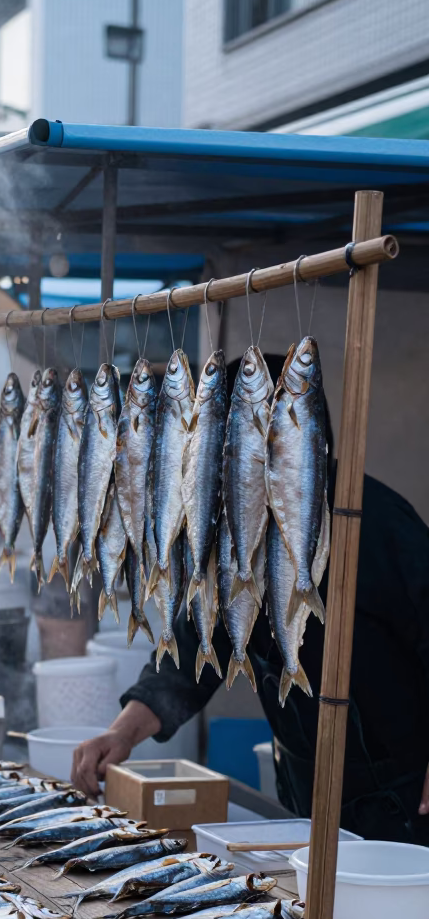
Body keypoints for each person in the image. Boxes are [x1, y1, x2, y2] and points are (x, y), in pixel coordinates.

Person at [72, 354, 429, 844]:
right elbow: (197, 643)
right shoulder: (234, 527)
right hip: (307, 790)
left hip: (407, 798)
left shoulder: (378, 523)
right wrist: (122, 732)